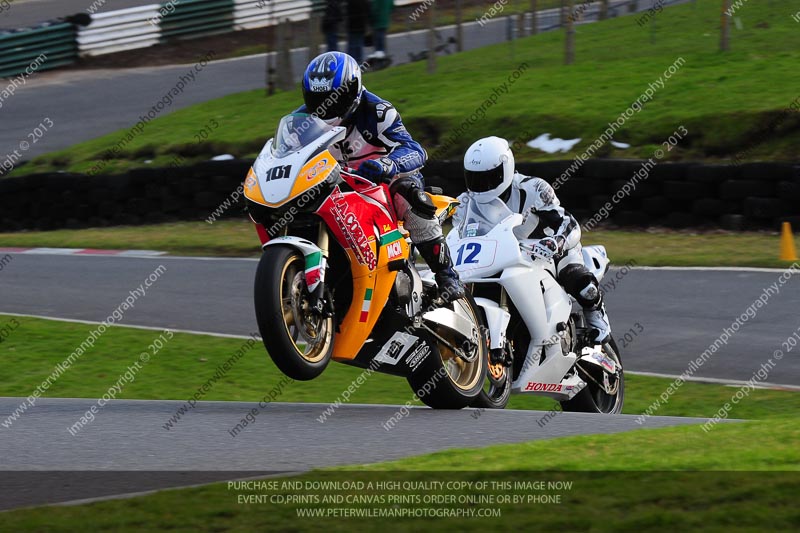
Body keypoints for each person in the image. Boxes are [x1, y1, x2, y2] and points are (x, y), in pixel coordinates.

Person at [298, 51, 463, 301]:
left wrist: (388, 164)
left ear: (351, 90)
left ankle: (447, 275)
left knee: (409, 194)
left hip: (382, 183)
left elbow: (416, 150)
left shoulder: (377, 111)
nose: (326, 106)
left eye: (333, 98)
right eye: (318, 98)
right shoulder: (302, 120)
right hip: (336, 184)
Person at [458, 136, 611, 342]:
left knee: (581, 282)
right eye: (475, 179)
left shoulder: (534, 188)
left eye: (489, 178)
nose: (481, 186)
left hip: (546, 249)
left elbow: (568, 223)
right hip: (499, 257)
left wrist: (557, 242)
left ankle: (596, 316)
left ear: (506, 168)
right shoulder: (464, 203)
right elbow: (455, 235)